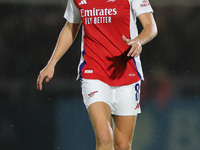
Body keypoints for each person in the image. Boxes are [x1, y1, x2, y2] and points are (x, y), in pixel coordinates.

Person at [37, 0, 157, 149]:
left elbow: (151, 27)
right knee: (104, 137)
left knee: (122, 145)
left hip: (127, 72)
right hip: (93, 72)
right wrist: (52, 62)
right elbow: (71, 26)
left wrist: (139, 40)